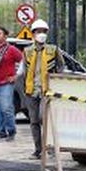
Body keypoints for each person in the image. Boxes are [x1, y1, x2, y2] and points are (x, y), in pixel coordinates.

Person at [23, 18, 61, 160]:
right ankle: (38, 150)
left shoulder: (53, 50)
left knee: (43, 118)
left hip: (47, 90)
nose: (41, 34)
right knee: (34, 121)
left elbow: (60, 67)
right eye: (39, 31)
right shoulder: (27, 51)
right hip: (31, 90)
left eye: (44, 31)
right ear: (33, 33)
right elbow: (24, 70)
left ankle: (49, 147)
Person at [0, 26, 23, 140]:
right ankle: (1, 131)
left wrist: (16, 76)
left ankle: (11, 131)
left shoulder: (11, 49)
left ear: (5, 36)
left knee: (6, 108)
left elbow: (23, 61)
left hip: (6, 83)